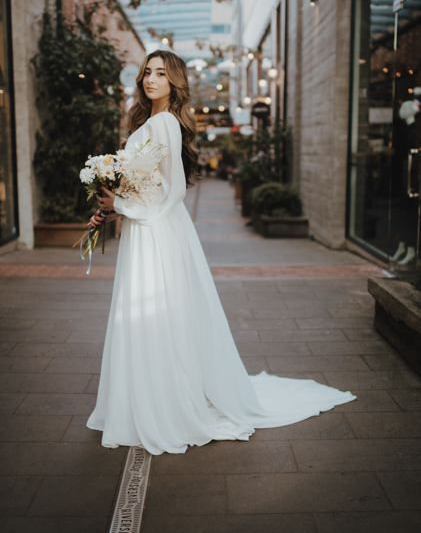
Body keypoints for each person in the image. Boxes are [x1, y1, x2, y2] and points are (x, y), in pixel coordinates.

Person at [86, 50, 356, 455]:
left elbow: (172, 188)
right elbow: (147, 184)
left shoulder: (165, 123)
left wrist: (120, 205)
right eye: (146, 72)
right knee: (147, 313)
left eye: (161, 73)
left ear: (175, 81)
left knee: (158, 313)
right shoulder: (147, 121)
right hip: (147, 225)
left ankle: (165, 405)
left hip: (156, 230)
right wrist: (113, 203)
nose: (150, 79)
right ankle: (144, 401)